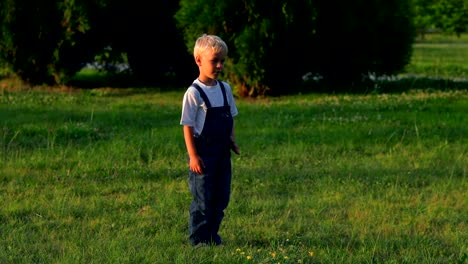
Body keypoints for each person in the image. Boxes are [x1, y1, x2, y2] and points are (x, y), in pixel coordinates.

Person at [180, 34, 240, 247]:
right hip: (203, 155)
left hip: (222, 153)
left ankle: (213, 236)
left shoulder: (225, 89)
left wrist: (232, 140)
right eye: (214, 61)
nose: (219, 65)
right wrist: (193, 156)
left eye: (222, 61)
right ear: (198, 60)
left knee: (220, 197)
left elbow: (230, 117)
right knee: (203, 200)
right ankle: (198, 240)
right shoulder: (193, 93)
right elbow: (187, 126)